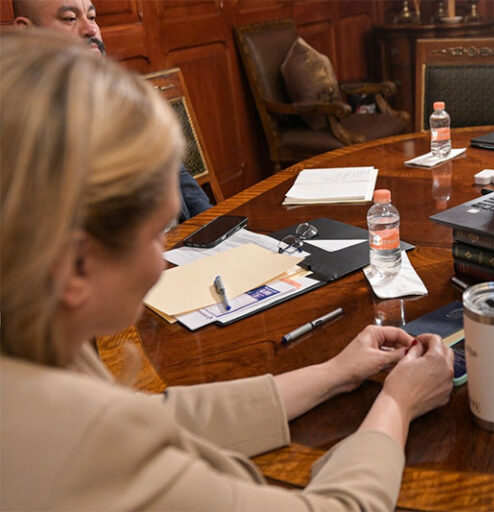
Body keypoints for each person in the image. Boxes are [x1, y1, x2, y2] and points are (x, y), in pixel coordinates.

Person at [0, 31, 454, 510]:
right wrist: (398, 405)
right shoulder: (86, 446)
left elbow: (160, 415)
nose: (163, 262)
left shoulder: (35, 342)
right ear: (74, 266)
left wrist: (336, 373)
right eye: (158, 234)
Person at [12, 0, 212, 223]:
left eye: (92, 17)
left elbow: (175, 173)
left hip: (183, 245)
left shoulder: (125, 94)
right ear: (27, 30)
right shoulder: (22, 123)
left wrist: (214, 230)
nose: (90, 29)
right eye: (69, 19)